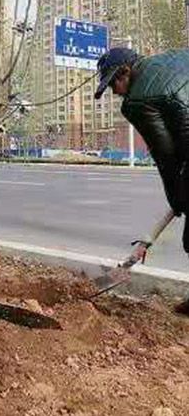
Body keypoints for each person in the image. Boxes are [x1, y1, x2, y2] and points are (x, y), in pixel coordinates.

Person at [95, 47, 189, 314]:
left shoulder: (137, 100)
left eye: (114, 82)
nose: (115, 91)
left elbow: (166, 155)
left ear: (126, 70)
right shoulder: (175, 56)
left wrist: (177, 196)